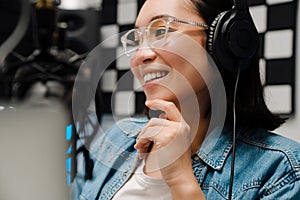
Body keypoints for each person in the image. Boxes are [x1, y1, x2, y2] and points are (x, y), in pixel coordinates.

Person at [71, 0, 300, 199]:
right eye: (137, 40)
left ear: (222, 42)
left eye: (161, 31)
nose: (141, 55)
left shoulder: (281, 171)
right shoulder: (116, 139)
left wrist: (182, 181)